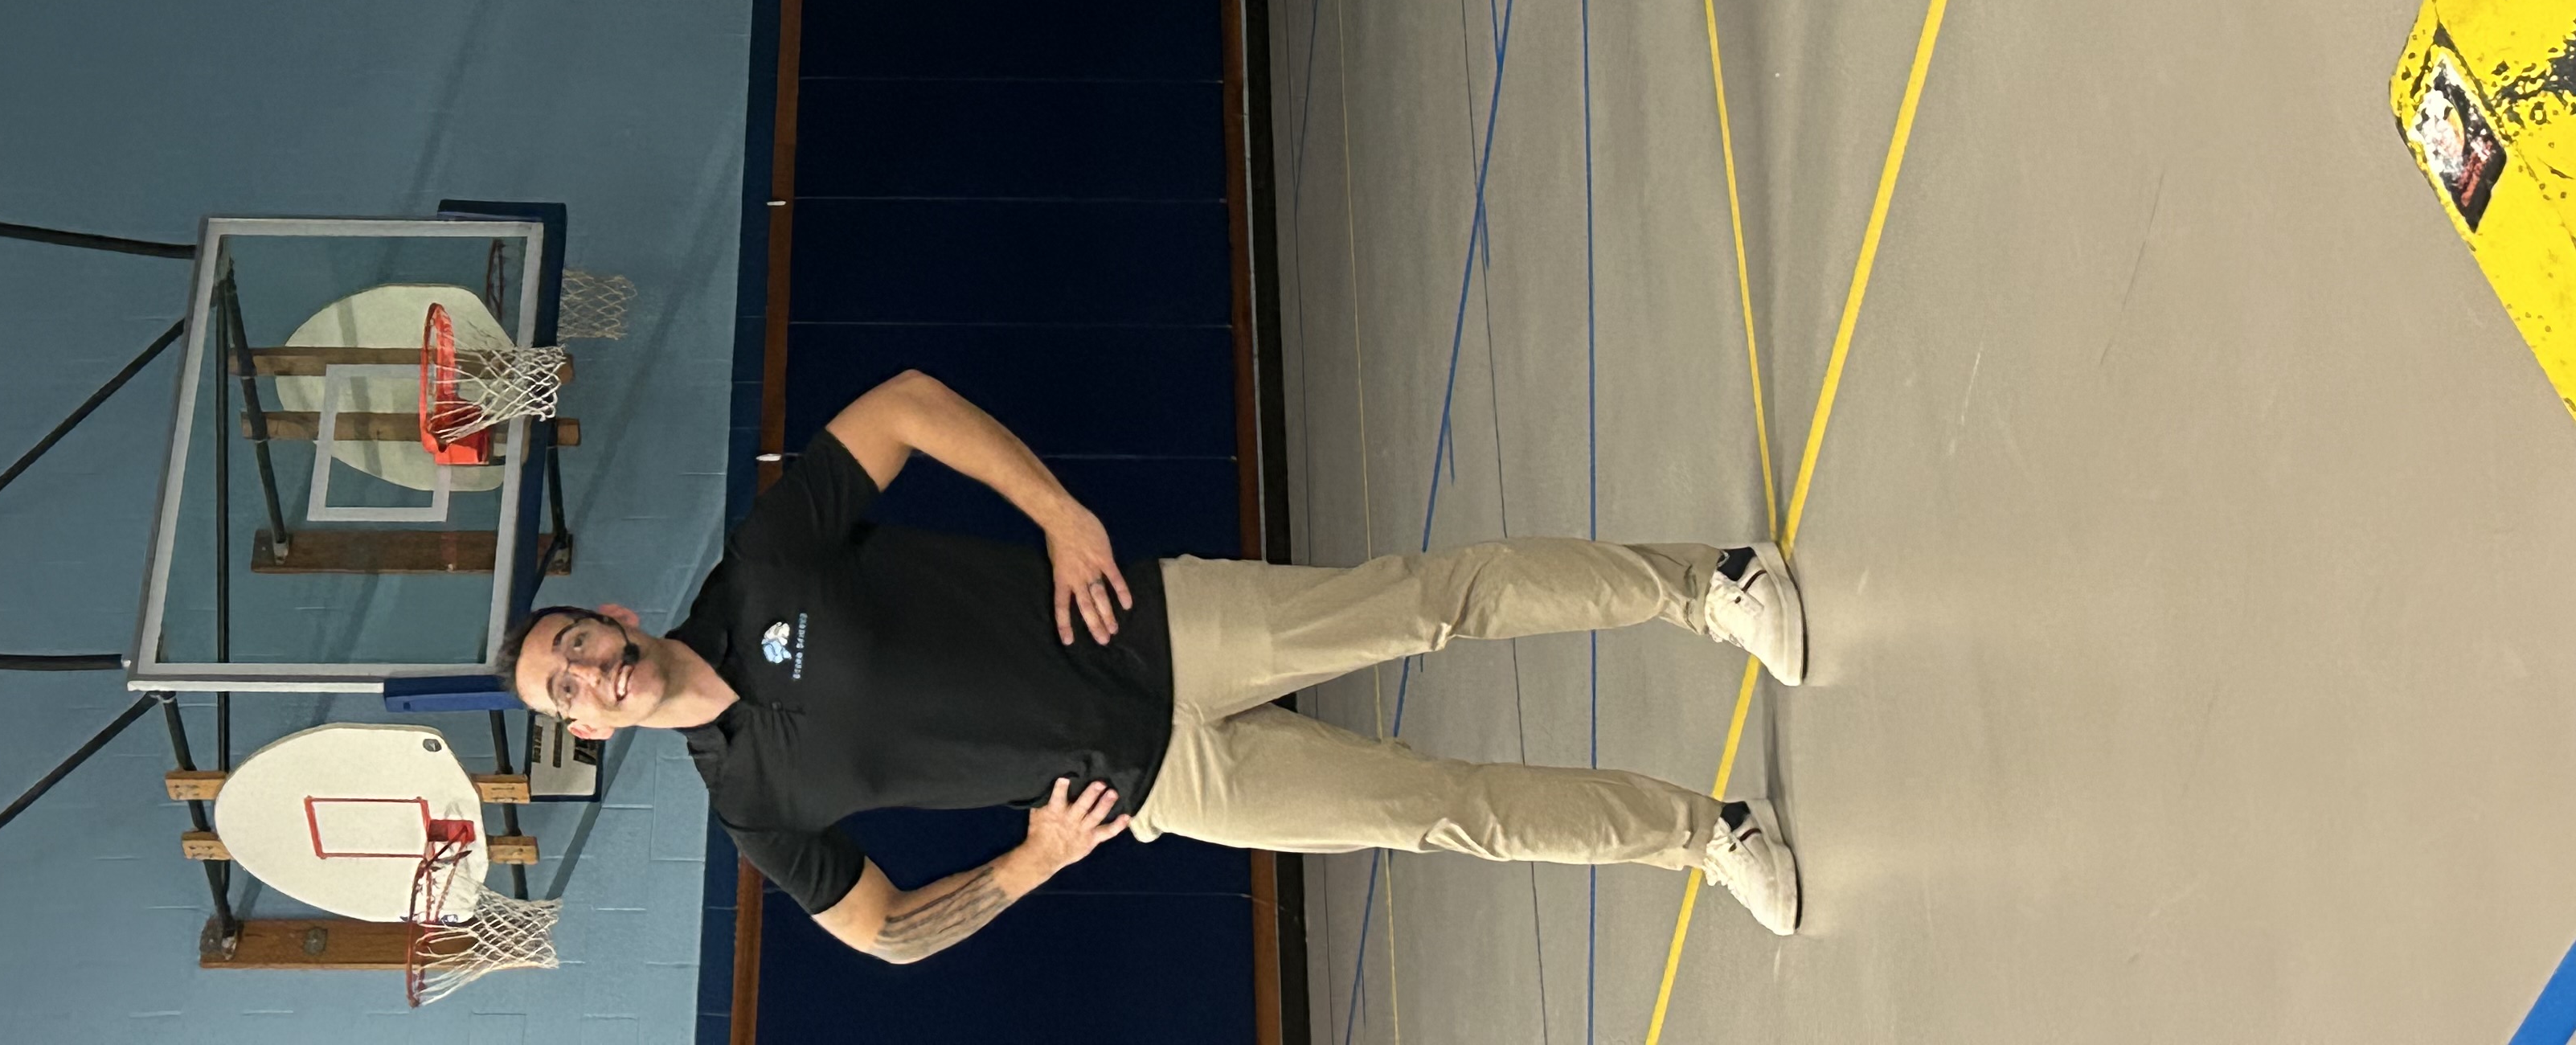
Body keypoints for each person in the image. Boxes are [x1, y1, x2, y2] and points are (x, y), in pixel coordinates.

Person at [502, 370, 1807, 964]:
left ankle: (1710, 586)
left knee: (1431, 604)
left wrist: (1060, 515)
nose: (588, 676)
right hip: (1149, 786)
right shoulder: (750, 806)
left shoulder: (764, 564)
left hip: (1156, 626)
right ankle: (1708, 834)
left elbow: (903, 403)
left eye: (576, 646)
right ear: (595, 734)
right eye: (569, 694)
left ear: (611, 616)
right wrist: (1031, 864)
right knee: (1439, 813)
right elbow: (887, 934)